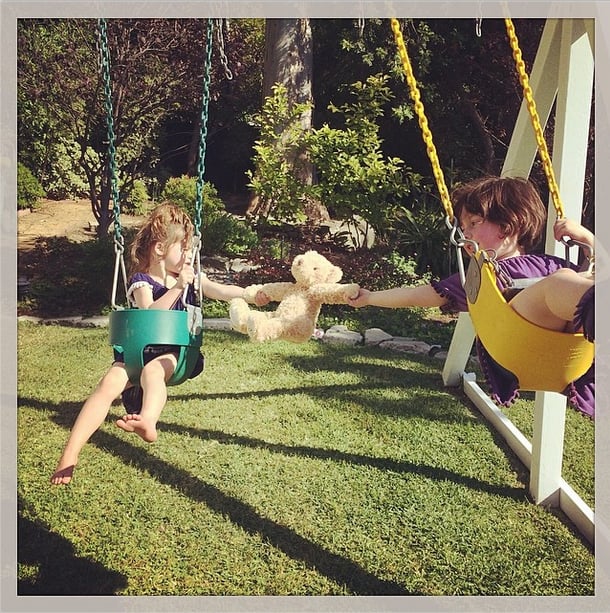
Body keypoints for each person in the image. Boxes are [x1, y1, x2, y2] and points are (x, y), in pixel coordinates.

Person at [51, 202, 268, 485]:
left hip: (177, 354)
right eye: (184, 248)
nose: (189, 256)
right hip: (137, 351)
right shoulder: (141, 281)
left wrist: (254, 294)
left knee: (153, 372)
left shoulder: (191, 278)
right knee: (108, 384)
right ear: (160, 249)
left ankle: (148, 420)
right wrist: (178, 288)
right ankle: (70, 454)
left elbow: (225, 291)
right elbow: (151, 312)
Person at [348, 176, 595, 417]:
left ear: (510, 223)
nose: (465, 235)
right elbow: (415, 295)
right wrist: (370, 297)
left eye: (473, 223)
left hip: (571, 350)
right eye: (463, 228)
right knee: (562, 280)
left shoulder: (549, 263)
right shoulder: (479, 279)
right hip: (517, 342)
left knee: (583, 278)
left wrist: (588, 240)